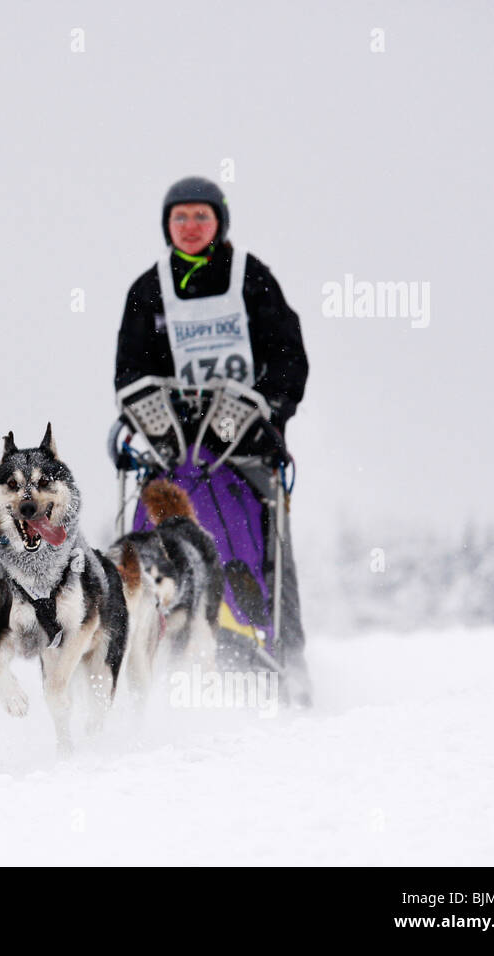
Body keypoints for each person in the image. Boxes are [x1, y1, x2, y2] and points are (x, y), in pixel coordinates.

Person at [114, 175, 311, 703]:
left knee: (271, 545)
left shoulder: (252, 279)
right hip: (172, 450)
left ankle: (288, 664)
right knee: (151, 539)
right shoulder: (148, 289)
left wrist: (267, 411)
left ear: (219, 220)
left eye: (201, 216)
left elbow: (289, 359)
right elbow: (129, 372)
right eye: (180, 217)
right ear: (167, 225)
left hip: (245, 448)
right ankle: (138, 649)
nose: (191, 226)